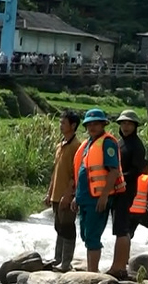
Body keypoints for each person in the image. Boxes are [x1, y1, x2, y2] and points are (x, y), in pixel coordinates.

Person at [71, 108, 125, 274]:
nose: (92, 127)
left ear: (103, 124)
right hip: (85, 198)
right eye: (90, 124)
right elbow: (83, 171)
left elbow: (114, 171)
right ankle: (90, 270)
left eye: (96, 123)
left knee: (93, 236)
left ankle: (92, 273)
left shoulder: (107, 143)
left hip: (97, 198)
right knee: (86, 235)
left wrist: (103, 196)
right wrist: (76, 197)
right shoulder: (88, 144)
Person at [44, 110, 81, 272]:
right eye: (60, 122)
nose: (60, 125)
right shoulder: (61, 145)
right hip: (56, 194)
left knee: (67, 226)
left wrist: (69, 194)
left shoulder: (76, 147)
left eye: (63, 123)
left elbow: (76, 174)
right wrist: (49, 192)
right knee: (58, 226)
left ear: (73, 126)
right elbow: (55, 172)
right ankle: (58, 258)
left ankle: (66, 262)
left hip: (67, 194)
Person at [111, 109, 146, 278]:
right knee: (119, 226)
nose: (125, 126)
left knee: (121, 227)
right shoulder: (120, 142)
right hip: (117, 189)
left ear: (135, 126)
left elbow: (136, 171)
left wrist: (118, 178)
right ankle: (120, 263)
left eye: (129, 124)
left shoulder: (136, 145)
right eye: (123, 123)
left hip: (126, 190)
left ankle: (118, 267)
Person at [128, 160, 148, 253]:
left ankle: (125, 256)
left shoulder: (131, 177)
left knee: (128, 234)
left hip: (130, 211)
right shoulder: (147, 179)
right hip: (143, 212)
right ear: (144, 168)